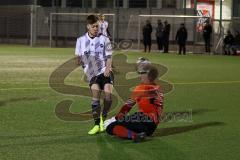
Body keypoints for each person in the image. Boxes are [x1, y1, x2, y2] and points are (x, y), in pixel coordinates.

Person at [104, 58, 164, 142]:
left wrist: (115, 119)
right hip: (152, 127)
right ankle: (137, 133)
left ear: (147, 76)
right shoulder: (159, 89)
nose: (140, 76)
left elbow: (126, 107)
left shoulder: (141, 89)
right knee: (129, 122)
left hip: (143, 118)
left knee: (111, 127)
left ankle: (134, 136)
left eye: (142, 74)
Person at [75, 15, 114, 135]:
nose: (96, 28)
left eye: (98, 26)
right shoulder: (80, 40)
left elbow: (109, 56)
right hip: (92, 74)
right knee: (95, 95)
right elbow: (78, 58)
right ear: (88, 27)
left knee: (108, 96)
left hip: (104, 71)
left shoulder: (105, 39)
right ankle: (97, 124)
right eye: (94, 26)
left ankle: (103, 116)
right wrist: (83, 64)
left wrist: (108, 68)